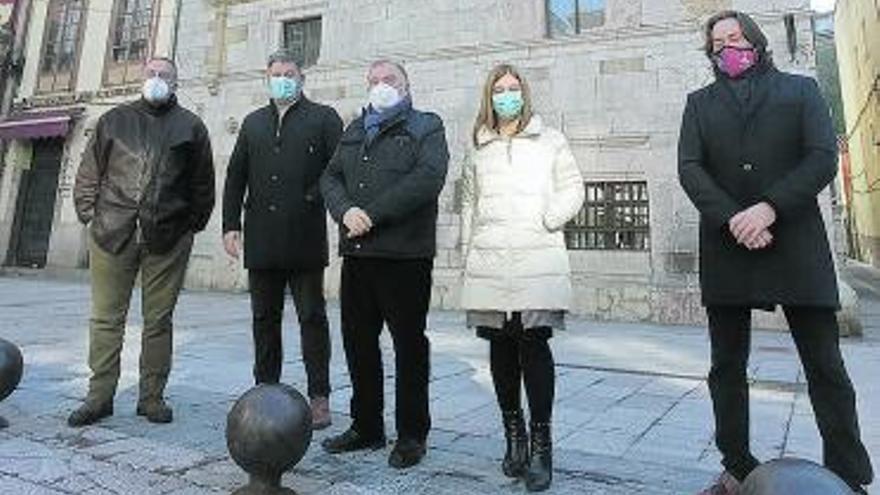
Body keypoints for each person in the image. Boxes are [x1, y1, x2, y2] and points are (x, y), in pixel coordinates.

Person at [677, 11, 874, 495]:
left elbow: (823, 156)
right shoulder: (698, 103)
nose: (728, 47)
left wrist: (768, 209)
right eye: (718, 42)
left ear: (757, 40)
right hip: (728, 245)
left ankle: (850, 475)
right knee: (726, 366)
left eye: (736, 37)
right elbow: (690, 167)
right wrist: (734, 218)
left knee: (825, 365)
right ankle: (737, 467)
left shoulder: (802, 91)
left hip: (794, 244)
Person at [70, 56, 215, 426]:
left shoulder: (191, 127)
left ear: (176, 83)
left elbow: (203, 187)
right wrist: (92, 216)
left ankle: (151, 398)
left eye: (164, 75)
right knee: (105, 319)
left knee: (159, 321)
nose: (156, 79)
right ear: (141, 78)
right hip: (111, 231)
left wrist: (187, 230)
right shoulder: (113, 120)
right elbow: (89, 173)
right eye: (151, 73)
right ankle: (98, 397)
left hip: (167, 237)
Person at [460, 64, 584, 492]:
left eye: (513, 89)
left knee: (534, 345)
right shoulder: (478, 145)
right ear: (488, 96)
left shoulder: (549, 140)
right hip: (490, 260)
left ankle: (542, 445)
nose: (507, 96)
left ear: (524, 94)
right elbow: (468, 203)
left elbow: (574, 188)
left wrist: (549, 218)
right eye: (499, 90)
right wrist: (468, 248)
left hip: (537, 257)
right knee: (499, 347)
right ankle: (513, 437)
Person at [319, 60, 449, 469]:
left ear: (406, 84)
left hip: (405, 256)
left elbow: (428, 178)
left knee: (409, 346)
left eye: (389, 79)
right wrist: (345, 211)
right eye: (374, 81)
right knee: (358, 344)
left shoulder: (427, 125)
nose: (381, 86)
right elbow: (330, 178)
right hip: (358, 256)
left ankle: (412, 434)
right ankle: (366, 426)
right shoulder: (356, 128)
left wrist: (371, 214)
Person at [222, 51, 342, 430]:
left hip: (305, 237)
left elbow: (337, 170)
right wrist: (230, 224)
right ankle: (265, 390)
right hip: (261, 238)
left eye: (290, 74)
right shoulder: (253, 122)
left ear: (302, 78)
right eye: (276, 74)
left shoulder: (324, 118)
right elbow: (235, 174)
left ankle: (319, 396)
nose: (283, 79)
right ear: (267, 77)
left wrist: (313, 198)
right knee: (263, 318)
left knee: (312, 317)